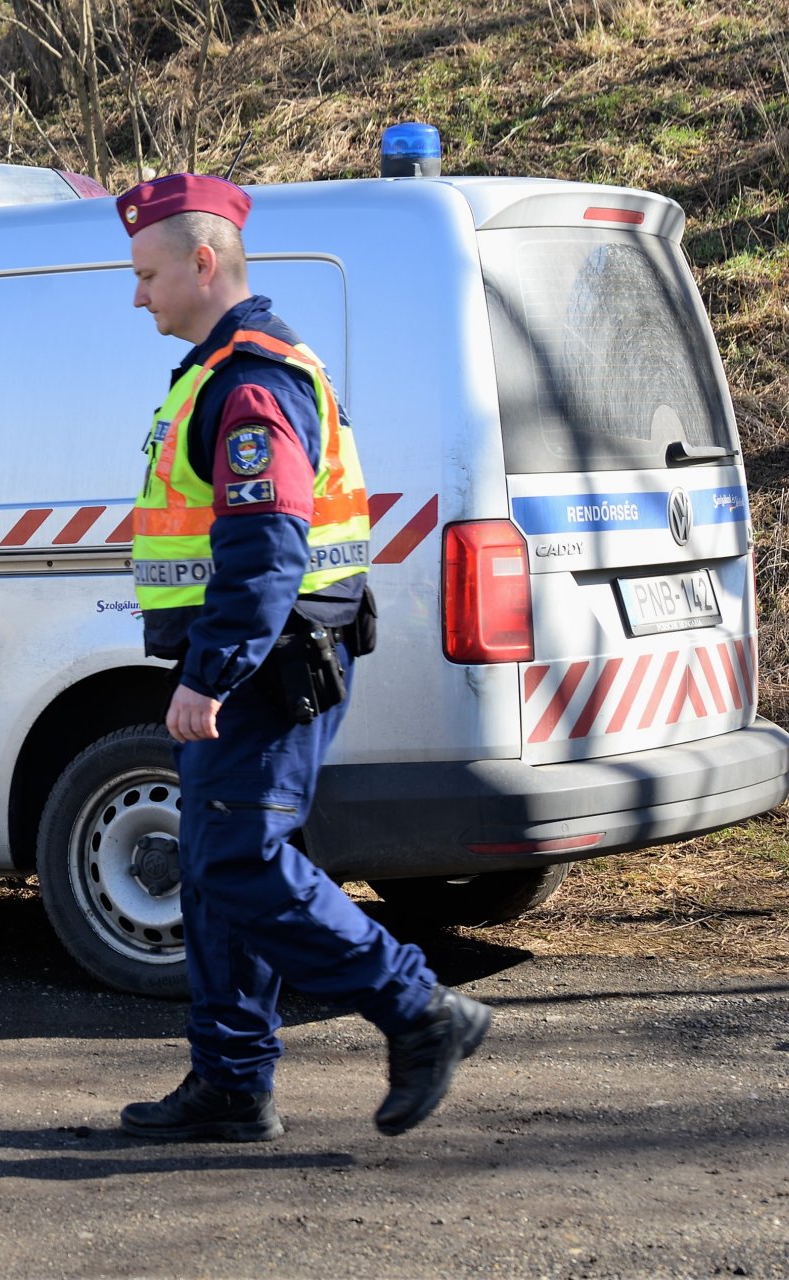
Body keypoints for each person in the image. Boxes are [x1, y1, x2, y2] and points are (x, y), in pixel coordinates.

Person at [115, 172, 490, 1141]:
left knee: (241, 859)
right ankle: (232, 1083)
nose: (137, 293)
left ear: (204, 262)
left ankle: (420, 1009)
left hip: (267, 666)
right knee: (212, 870)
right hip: (253, 660)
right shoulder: (218, 370)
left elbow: (269, 539)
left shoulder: (252, 376)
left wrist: (212, 670)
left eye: (148, 272)